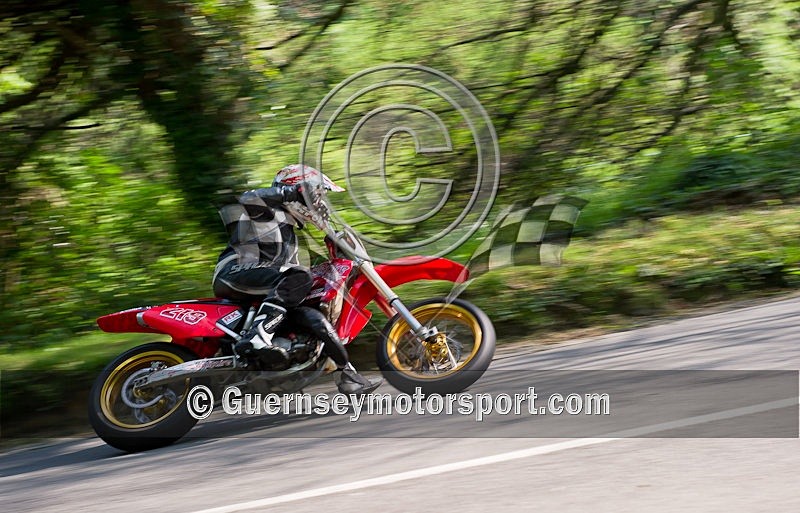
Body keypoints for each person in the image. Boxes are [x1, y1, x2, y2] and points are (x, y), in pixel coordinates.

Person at [212, 164, 381, 395]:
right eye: (317, 195)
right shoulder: (267, 212)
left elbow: (292, 286)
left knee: (313, 314)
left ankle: (348, 375)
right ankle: (257, 338)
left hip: (261, 283)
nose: (320, 203)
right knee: (299, 275)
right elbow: (247, 197)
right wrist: (291, 193)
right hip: (234, 271)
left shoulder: (290, 236)